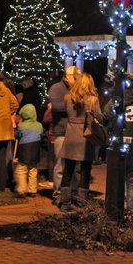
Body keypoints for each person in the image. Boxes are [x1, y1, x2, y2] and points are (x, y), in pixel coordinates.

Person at [103, 76, 133, 213]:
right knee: (132, 178)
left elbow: (105, 117)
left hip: (117, 144)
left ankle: (114, 207)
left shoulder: (114, 101)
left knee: (115, 176)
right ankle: (132, 208)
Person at [59, 73, 102, 212]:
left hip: (71, 135)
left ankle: (65, 202)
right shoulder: (93, 99)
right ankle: (82, 202)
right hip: (85, 136)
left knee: (68, 169)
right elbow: (99, 116)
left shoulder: (67, 97)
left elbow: (67, 113)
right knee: (85, 170)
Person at [47, 66, 81, 203]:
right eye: (76, 77)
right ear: (68, 76)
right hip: (61, 131)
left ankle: (72, 193)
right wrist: (77, 102)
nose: (78, 80)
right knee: (60, 164)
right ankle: (58, 194)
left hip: (76, 133)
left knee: (76, 165)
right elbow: (57, 106)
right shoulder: (56, 88)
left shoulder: (78, 89)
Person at [14, 104, 43, 198]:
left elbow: (17, 135)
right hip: (35, 151)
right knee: (33, 170)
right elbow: (41, 134)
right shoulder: (39, 125)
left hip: (24, 151)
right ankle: (32, 190)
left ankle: (22, 190)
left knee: (21, 170)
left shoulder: (21, 126)